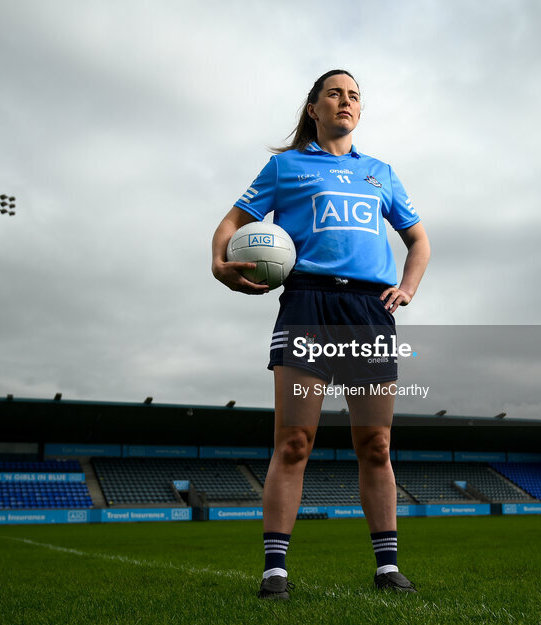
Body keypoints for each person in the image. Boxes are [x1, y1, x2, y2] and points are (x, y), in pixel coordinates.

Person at [211, 69, 430, 600]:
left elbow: (418, 240)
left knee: (376, 444)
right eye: (334, 93)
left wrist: (407, 288)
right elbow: (231, 225)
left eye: (354, 95)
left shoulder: (380, 173)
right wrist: (221, 265)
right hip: (307, 303)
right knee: (294, 442)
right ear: (314, 107)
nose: (346, 101)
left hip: (369, 311)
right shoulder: (285, 167)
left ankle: (386, 568)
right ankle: (275, 572)